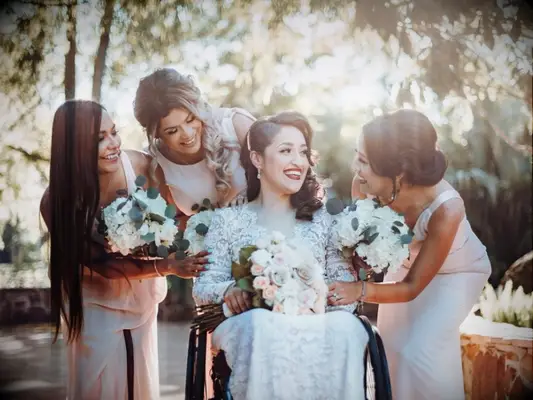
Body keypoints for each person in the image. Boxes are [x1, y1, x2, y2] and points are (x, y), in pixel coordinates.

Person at [193, 112, 369, 400]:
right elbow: (202, 288)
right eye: (286, 151)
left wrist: (307, 299)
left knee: (347, 327)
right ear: (258, 159)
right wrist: (230, 290)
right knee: (263, 324)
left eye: (302, 152)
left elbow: (343, 292)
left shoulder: (324, 221)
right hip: (251, 324)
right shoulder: (227, 221)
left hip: (316, 324)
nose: (298, 162)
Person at [39, 100, 208, 400]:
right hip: (94, 304)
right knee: (98, 384)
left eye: (114, 132)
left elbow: (179, 215)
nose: (113, 144)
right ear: (73, 148)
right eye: (99, 139)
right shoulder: (55, 201)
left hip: (140, 298)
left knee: (138, 381)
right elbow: (102, 264)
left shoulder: (140, 166)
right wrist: (166, 267)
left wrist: (165, 236)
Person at [328, 109, 491, 400]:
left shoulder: (446, 209)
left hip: (457, 273)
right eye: (357, 156)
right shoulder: (362, 186)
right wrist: (360, 258)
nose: (356, 168)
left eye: (364, 161)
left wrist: (359, 290)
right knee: (393, 348)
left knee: (422, 351)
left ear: (398, 172)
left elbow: (412, 288)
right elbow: (363, 245)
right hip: (405, 265)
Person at [133, 68, 256, 220]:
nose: (188, 133)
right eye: (172, 131)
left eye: (190, 119)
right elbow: (175, 224)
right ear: (156, 134)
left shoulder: (234, 124)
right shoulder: (155, 164)